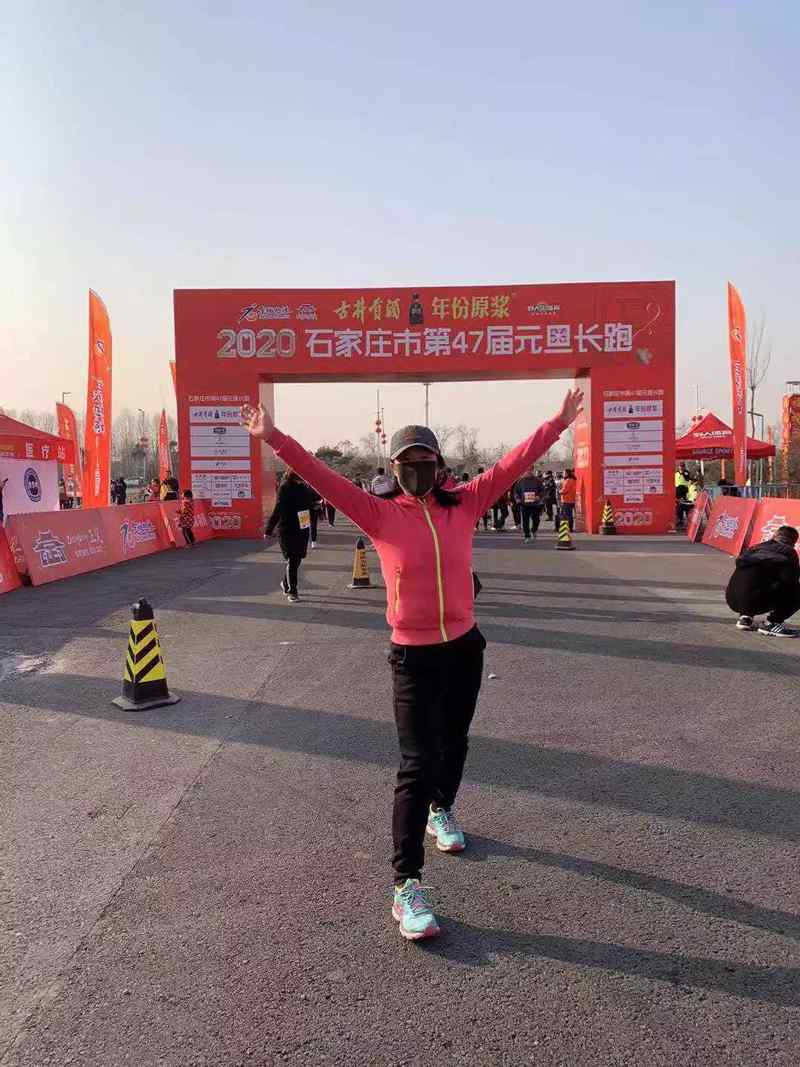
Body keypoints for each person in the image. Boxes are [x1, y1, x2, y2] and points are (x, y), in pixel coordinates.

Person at [242, 387, 583, 940]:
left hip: (464, 646)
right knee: (416, 763)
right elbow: (321, 476)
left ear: (439, 466)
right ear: (394, 470)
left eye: (425, 461)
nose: (417, 471)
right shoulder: (378, 514)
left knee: (456, 742)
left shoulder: (466, 504)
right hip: (412, 655)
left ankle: (441, 810)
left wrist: (558, 423)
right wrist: (273, 437)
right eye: (407, 464)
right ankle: (406, 884)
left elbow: (513, 462)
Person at [725, 525, 800, 637]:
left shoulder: (755, 548)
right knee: (795, 589)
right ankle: (772, 623)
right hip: (754, 600)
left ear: (775, 535)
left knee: (755, 580)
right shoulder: (789, 552)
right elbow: (790, 582)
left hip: (732, 600)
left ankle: (745, 617)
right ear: (794, 542)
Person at [264, 469, 321, 602]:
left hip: (302, 528)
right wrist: (269, 529)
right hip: (287, 529)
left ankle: (285, 583)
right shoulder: (285, 488)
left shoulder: (304, 488)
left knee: (297, 559)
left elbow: (310, 504)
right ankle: (292, 591)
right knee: (293, 559)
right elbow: (278, 509)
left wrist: (316, 507)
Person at [514, 468, 544, 541]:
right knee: (525, 521)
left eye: (530, 470)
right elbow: (516, 491)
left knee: (536, 520)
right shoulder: (520, 481)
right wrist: (518, 499)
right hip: (524, 505)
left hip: (535, 504)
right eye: (527, 470)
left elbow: (543, 490)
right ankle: (527, 535)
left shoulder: (537, 480)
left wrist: (539, 496)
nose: (529, 472)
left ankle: (534, 530)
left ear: (533, 471)